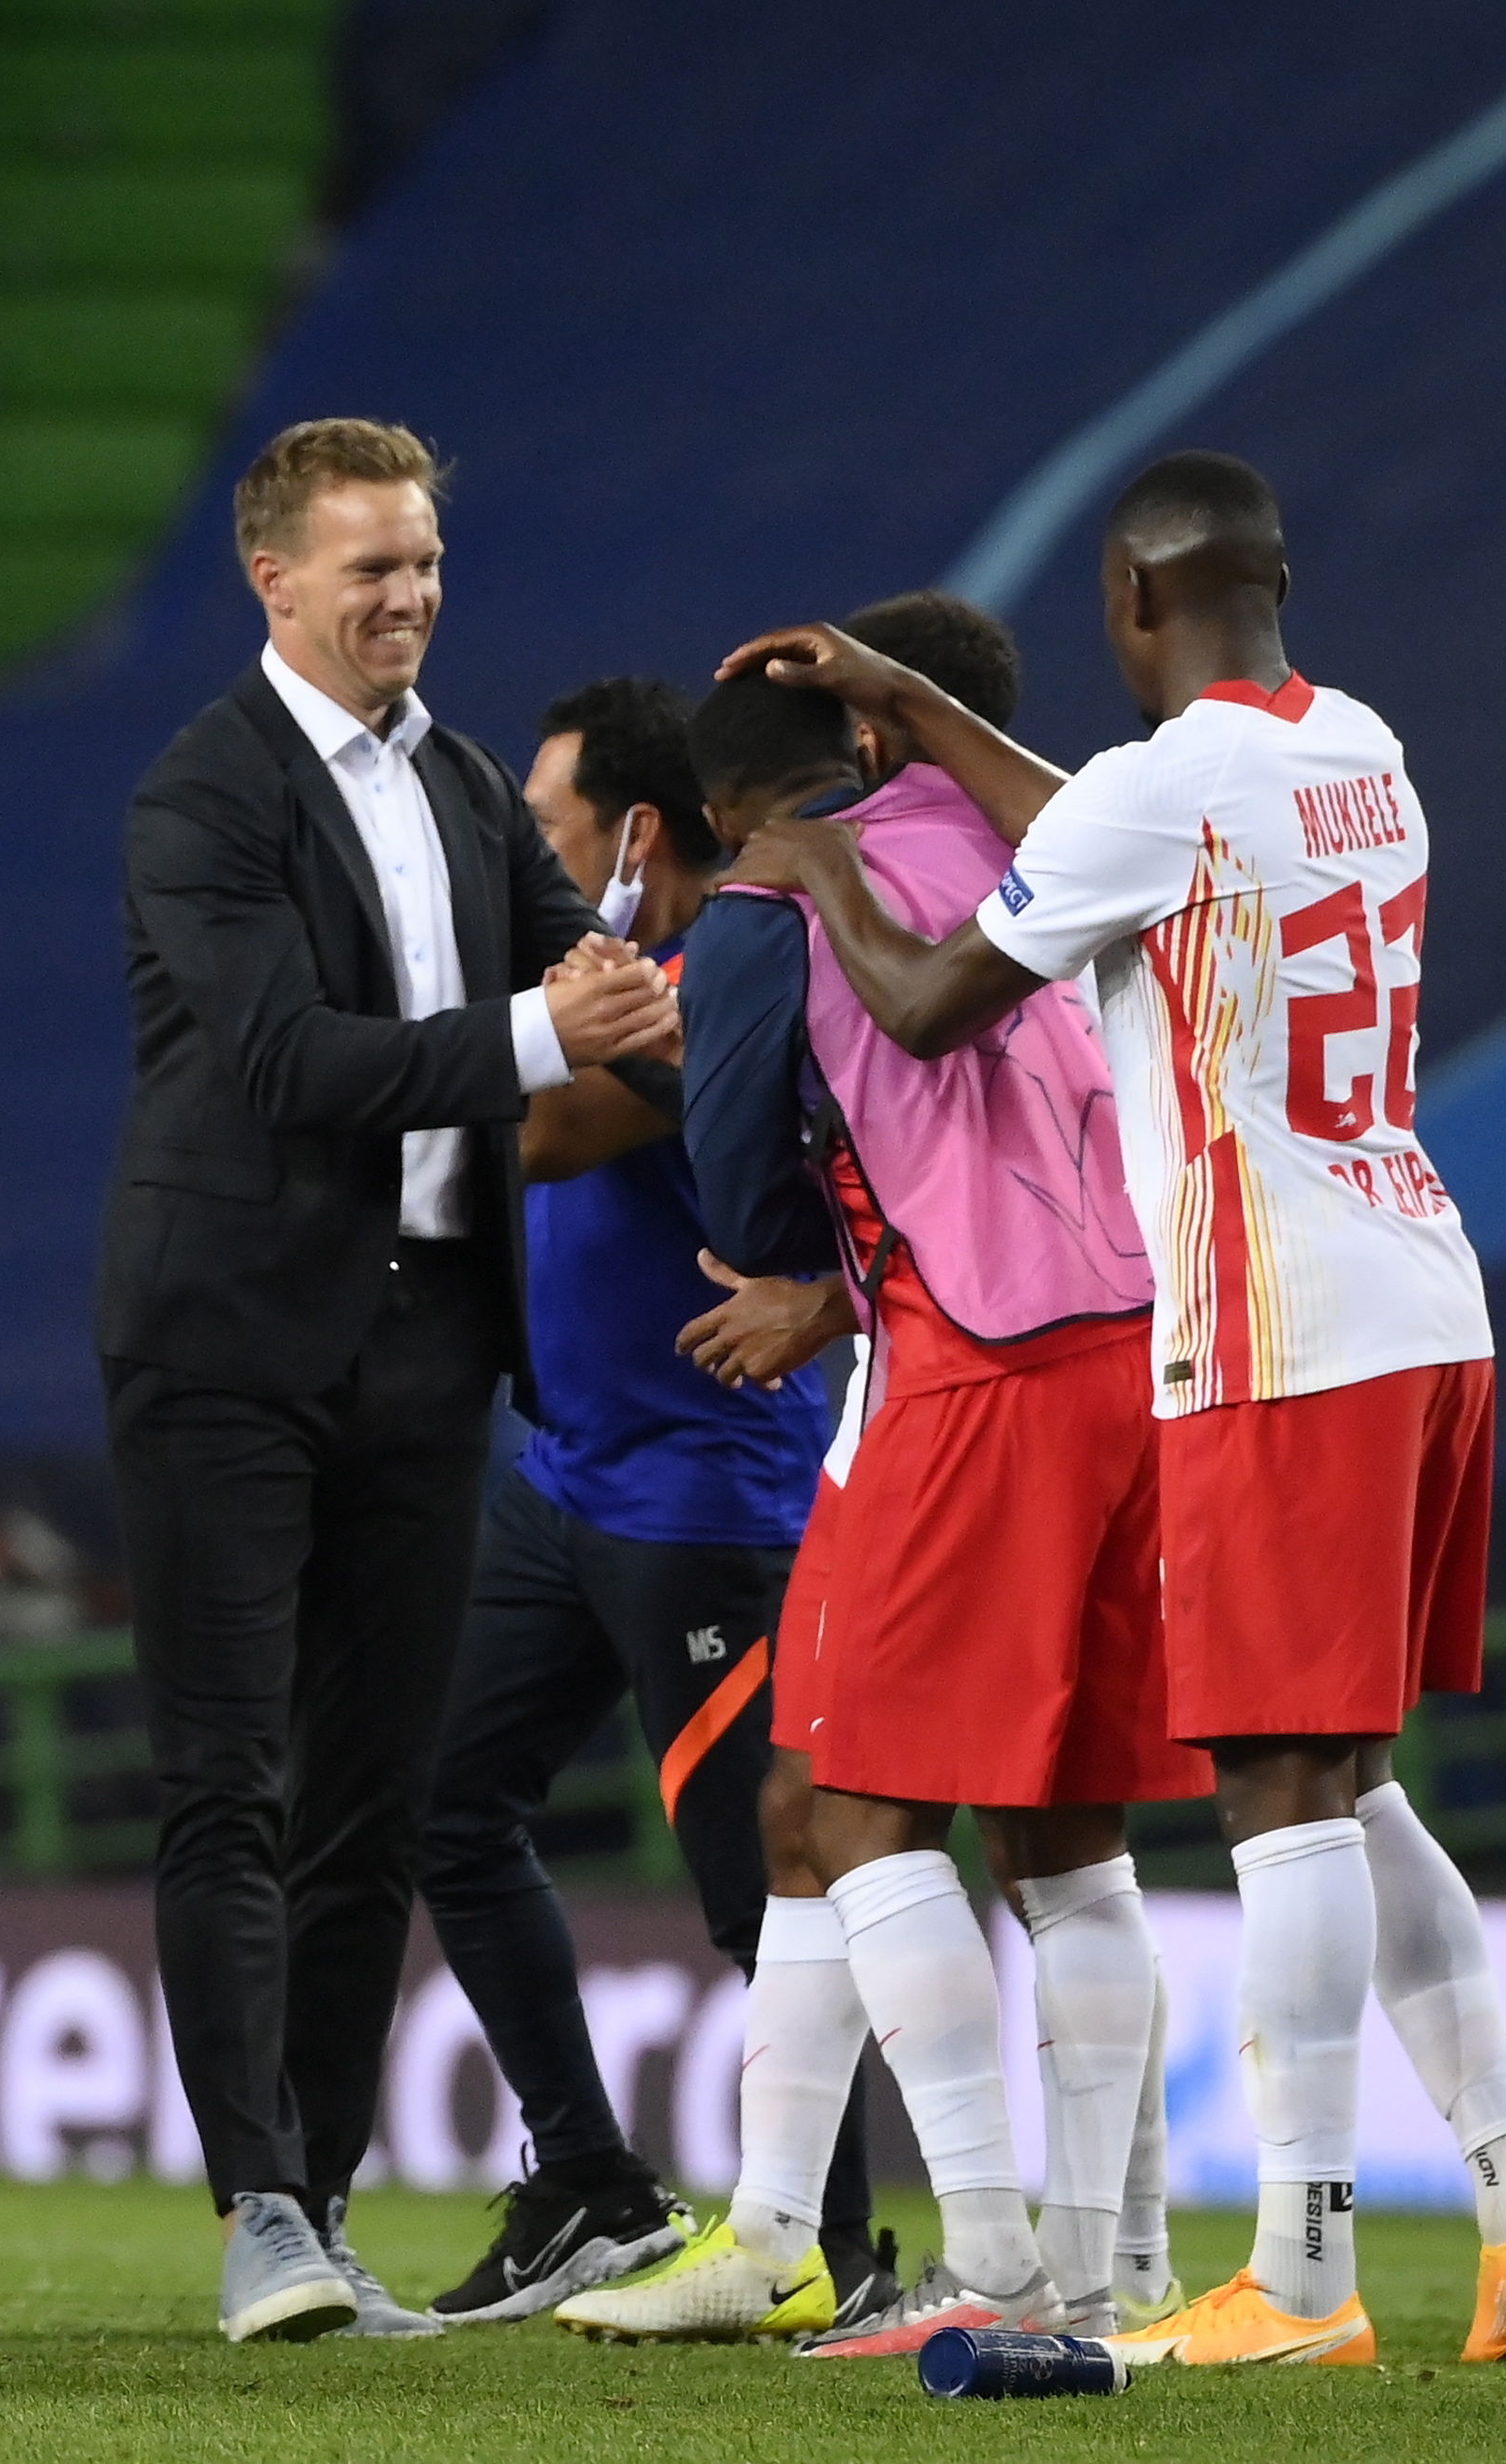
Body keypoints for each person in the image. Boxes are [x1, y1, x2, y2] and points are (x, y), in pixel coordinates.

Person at [724, 451, 1506, 2368]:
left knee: (1280, 1786)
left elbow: (938, 994)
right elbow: (1115, 828)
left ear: (1126, 604)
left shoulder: (1149, 787)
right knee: (1347, 1779)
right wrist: (938, 716)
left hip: (1272, 1314)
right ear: (1264, 579)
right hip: (1416, 1283)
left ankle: (1294, 2276)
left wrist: (813, 862)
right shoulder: (1352, 742)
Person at [101, 416, 679, 2345]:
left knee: (367, 1795)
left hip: (431, 1339)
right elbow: (285, 1059)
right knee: (227, 1781)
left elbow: (604, 1000)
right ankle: (254, 2201)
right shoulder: (203, 789)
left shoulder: (453, 779)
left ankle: (320, 2198)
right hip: (228, 1342)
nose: (407, 597)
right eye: (369, 568)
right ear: (272, 580)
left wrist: (798, 1144)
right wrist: (538, 1023)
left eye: (422, 561)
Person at [621, 629, 1200, 2361]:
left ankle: (1005, 2273)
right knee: (1071, 1838)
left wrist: (802, 1260)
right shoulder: (997, 827)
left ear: (719, 810)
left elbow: (740, 1182)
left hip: (977, 1367)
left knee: (856, 1815)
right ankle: (1100, 2278)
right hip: (1135, 1345)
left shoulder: (757, 910)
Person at [397, 674, 865, 2329]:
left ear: (637, 833)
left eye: (548, 822)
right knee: (445, 1805)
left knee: (769, 1890)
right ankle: (589, 2180)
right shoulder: (633, 982)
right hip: (569, 1475)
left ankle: (844, 2249)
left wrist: (464, 1017)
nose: (529, 847)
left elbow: (531, 1135)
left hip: (702, 1502)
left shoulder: (698, 992)